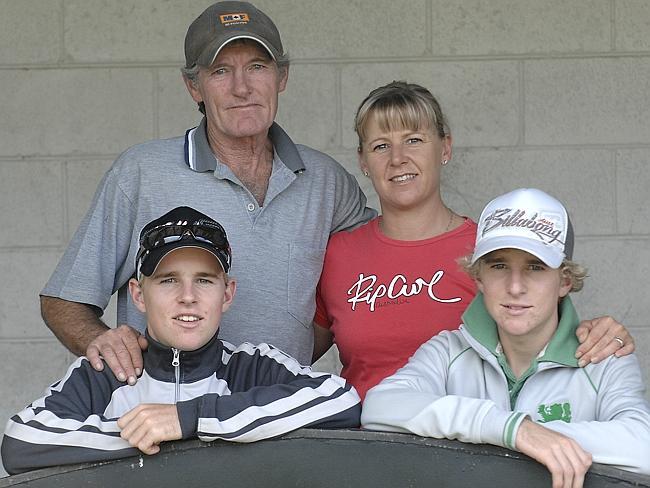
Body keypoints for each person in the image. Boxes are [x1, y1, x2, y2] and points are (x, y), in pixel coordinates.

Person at [39, 1, 375, 384]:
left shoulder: (327, 181)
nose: (242, 87)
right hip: (166, 422)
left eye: (257, 67)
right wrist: (104, 342)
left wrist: (290, 361)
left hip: (280, 415)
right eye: (220, 71)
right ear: (193, 86)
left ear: (282, 76)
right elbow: (63, 300)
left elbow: (376, 272)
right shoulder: (141, 173)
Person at [313, 81, 634, 399]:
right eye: (381, 145)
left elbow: (555, 335)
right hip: (365, 441)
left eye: (413, 140)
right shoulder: (339, 255)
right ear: (362, 161)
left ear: (445, 148)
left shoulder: (492, 252)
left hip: (470, 440)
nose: (397, 158)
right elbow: (297, 350)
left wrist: (603, 335)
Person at [2, 207, 361, 475]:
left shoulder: (251, 366)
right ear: (139, 295)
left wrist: (188, 419)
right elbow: (22, 442)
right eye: (168, 280)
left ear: (227, 294)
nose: (188, 296)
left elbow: (340, 400)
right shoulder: (108, 372)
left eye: (204, 280)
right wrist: (145, 432)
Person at [361, 188, 650, 487]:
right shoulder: (448, 350)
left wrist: (537, 434)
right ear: (479, 278)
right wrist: (510, 429)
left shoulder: (602, 356)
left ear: (564, 281)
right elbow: (380, 407)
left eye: (535, 267)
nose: (514, 287)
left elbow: (643, 448)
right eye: (499, 266)